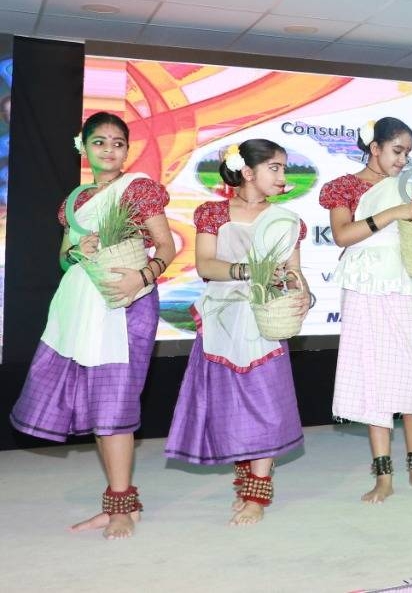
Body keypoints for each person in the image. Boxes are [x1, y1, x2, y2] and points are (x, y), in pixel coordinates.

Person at [10, 112, 175, 539]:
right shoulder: (75, 201)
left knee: (116, 404)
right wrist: (78, 249)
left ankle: (122, 507)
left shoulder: (137, 189)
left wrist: (142, 276)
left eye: (118, 143)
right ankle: (120, 503)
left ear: (126, 149)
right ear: (83, 147)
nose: (109, 150)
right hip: (83, 306)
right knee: (101, 405)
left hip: (127, 305)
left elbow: (168, 245)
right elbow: (64, 259)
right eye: (99, 142)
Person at [165, 139, 310, 525]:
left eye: (284, 168)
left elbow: (294, 270)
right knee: (230, 403)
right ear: (248, 172)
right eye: (275, 168)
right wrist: (251, 272)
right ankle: (244, 478)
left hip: (265, 318)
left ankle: (257, 493)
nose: (283, 176)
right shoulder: (213, 213)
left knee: (265, 402)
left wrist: (304, 295)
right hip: (224, 320)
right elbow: (206, 266)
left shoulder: (285, 219)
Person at [319, 117, 412, 502]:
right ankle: (383, 476)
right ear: (374, 148)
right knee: (373, 375)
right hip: (364, 286)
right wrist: (393, 212)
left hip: (403, 284)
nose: (402, 159)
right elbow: (343, 234)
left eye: (408, 152)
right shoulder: (344, 187)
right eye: (397, 150)